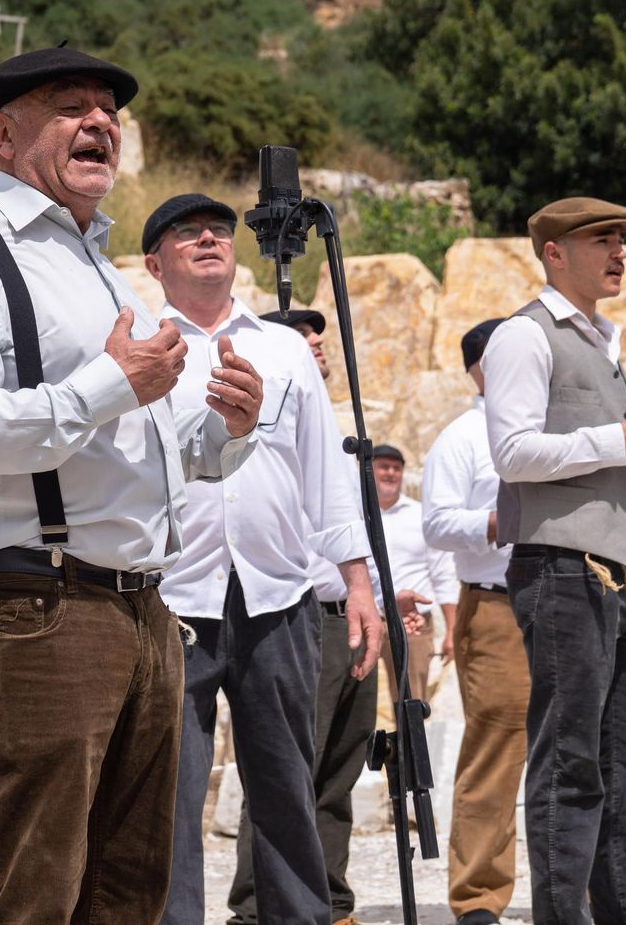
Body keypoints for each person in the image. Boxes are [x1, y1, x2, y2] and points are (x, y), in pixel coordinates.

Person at [0, 51, 265, 925]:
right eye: (70, 108)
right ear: (4, 133)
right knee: (30, 885)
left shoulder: (100, 268)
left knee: (128, 888)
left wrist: (224, 431)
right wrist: (109, 385)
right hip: (37, 602)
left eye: (108, 111)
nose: (100, 123)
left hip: (142, 607)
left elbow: (151, 448)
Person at [138, 193, 381, 925]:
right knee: (168, 795)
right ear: (156, 263)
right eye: (188, 232)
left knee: (284, 783)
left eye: (218, 230)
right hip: (173, 602)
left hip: (277, 598)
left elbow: (324, 471)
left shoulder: (281, 350)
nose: (209, 238)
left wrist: (358, 580)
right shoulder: (142, 352)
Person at [483, 197, 626, 925]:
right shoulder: (523, 337)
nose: (619, 252)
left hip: (625, 577)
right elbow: (513, 453)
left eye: (622, 239)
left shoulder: (601, 339)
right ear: (554, 252)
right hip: (563, 574)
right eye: (601, 239)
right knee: (571, 771)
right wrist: (620, 437)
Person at [227, 306, 378, 925]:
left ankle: (330, 901)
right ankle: (256, 907)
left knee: (339, 770)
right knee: (285, 770)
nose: (314, 343)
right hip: (296, 611)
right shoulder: (267, 421)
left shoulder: (334, 426)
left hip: (348, 611)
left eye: (318, 335)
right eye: (300, 335)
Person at [422, 318, 525, 925]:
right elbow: (436, 524)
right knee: (495, 751)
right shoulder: (461, 438)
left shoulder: (555, 427)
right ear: (478, 369)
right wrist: (496, 523)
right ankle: (479, 898)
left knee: (577, 748)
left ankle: (581, 888)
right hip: (498, 607)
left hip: (570, 601)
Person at [372, 443, 456, 706]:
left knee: (412, 704)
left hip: (413, 623)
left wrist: (452, 629)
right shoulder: (353, 515)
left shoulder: (421, 516)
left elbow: (443, 573)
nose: (390, 473)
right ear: (367, 471)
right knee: (354, 705)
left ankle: (409, 749)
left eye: (396, 468)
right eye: (383, 467)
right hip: (365, 619)